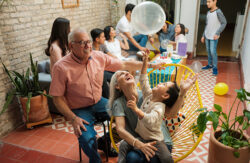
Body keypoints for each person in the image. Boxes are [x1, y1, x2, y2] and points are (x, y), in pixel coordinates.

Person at [49, 28, 163, 163]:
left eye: (88, 41)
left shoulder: (98, 56)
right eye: (82, 43)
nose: (88, 46)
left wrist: (149, 65)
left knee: (130, 118)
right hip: (79, 110)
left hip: (100, 102)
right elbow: (57, 98)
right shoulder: (61, 67)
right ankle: (95, 160)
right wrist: (73, 118)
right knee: (87, 138)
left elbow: (125, 64)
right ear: (71, 46)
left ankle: (104, 141)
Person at [109, 68, 197, 162]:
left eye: (127, 71)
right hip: (140, 141)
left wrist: (182, 93)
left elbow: (170, 114)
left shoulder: (148, 95)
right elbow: (120, 129)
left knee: (152, 160)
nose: (126, 72)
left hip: (161, 141)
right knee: (132, 158)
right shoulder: (119, 103)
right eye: (122, 74)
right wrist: (139, 144)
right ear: (117, 86)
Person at [119, 52, 177, 163]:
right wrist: (145, 61)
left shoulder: (159, 107)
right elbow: (143, 79)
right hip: (142, 137)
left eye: (163, 84)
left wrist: (136, 109)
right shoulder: (150, 95)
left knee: (166, 158)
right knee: (123, 145)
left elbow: (150, 120)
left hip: (156, 140)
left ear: (165, 95)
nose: (160, 82)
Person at [201, 0, 227, 76]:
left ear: (215, 1)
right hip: (207, 35)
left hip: (214, 37)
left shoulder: (218, 12)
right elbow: (207, 25)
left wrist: (217, 33)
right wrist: (203, 35)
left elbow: (224, 23)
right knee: (208, 51)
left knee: (213, 52)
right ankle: (210, 65)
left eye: (209, 2)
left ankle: (215, 67)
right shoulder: (208, 13)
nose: (207, 3)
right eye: (206, 2)